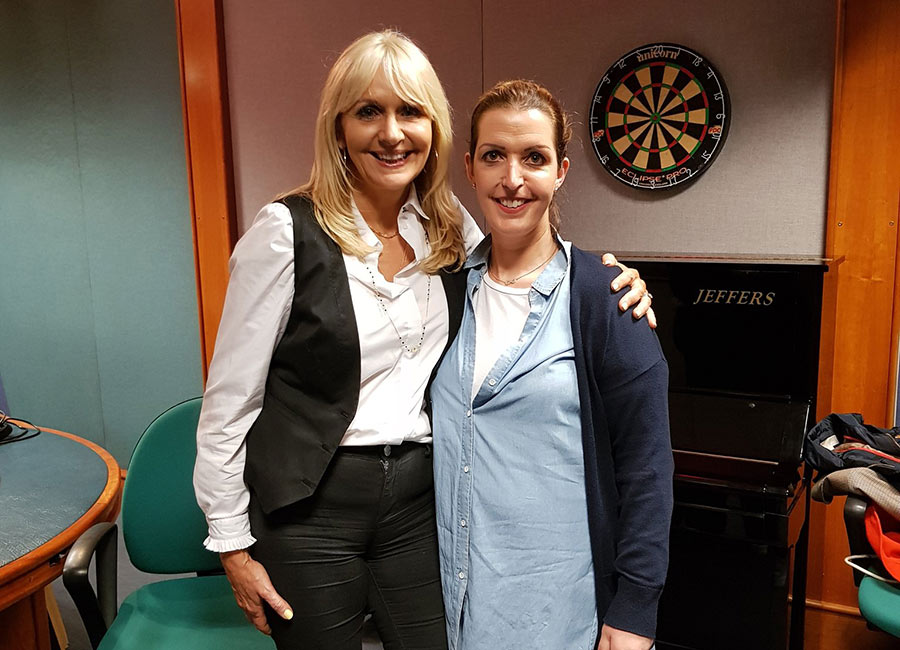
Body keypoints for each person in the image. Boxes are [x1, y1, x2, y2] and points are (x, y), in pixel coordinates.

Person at [193, 32, 653, 650]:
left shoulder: (447, 226)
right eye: (368, 111)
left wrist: (606, 280)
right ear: (339, 129)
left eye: (410, 111)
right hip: (311, 513)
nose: (392, 133)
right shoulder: (285, 232)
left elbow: (520, 262)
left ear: (433, 129)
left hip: (416, 505)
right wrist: (231, 546)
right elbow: (229, 402)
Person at [431, 79, 673, 650]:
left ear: (561, 171)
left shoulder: (607, 301)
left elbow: (647, 470)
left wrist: (635, 610)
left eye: (534, 158)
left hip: (559, 614)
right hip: (451, 606)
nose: (512, 179)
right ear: (470, 168)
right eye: (494, 156)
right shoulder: (441, 293)